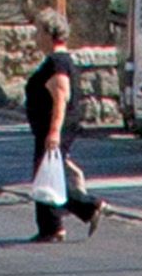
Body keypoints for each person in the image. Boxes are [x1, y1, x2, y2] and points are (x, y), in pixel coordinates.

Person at [22, 44, 103, 241]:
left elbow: (61, 97)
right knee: (47, 173)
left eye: (39, 32)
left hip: (54, 127)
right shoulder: (58, 61)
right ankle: (51, 227)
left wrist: (54, 131)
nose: (36, 38)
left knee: (47, 177)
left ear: (47, 34)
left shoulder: (57, 62)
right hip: (48, 128)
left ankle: (90, 205)